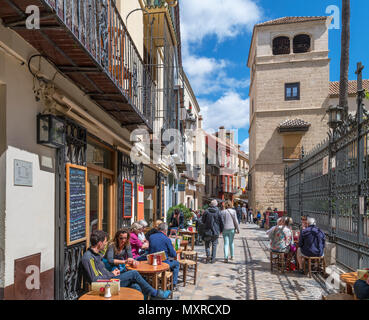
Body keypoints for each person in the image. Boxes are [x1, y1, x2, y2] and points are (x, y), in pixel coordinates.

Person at [81, 230, 171, 299]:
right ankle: (155, 294)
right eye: (104, 242)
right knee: (134, 274)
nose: (105, 244)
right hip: (104, 286)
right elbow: (95, 280)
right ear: (99, 243)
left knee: (136, 286)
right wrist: (112, 274)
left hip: (109, 279)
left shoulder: (96, 254)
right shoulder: (89, 257)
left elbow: (102, 272)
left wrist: (112, 272)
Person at [148, 223, 180, 290]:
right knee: (176, 263)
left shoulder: (151, 237)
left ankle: (161, 279)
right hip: (162, 263)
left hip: (152, 262)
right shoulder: (166, 239)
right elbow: (173, 254)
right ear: (165, 230)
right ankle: (174, 284)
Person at [202, 199, 224, 264]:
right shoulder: (218, 212)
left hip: (207, 230)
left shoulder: (206, 211)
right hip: (216, 231)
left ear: (210, 205)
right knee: (214, 245)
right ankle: (213, 259)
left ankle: (208, 256)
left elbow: (203, 220)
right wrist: (221, 230)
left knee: (207, 244)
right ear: (216, 205)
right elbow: (221, 222)